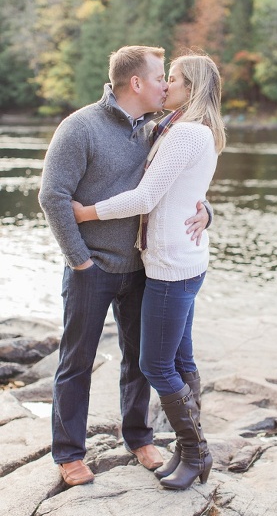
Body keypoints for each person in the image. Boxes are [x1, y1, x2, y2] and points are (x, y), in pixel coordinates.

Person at [38, 45, 211, 487]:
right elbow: (53, 197)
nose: (165, 85)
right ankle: (70, 453)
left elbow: (177, 184)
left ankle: (139, 437)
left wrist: (206, 209)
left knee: (138, 360)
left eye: (170, 79)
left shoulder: (157, 130)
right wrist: (80, 261)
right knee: (76, 361)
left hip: (141, 269)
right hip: (90, 268)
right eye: (159, 77)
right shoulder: (80, 127)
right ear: (136, 83)